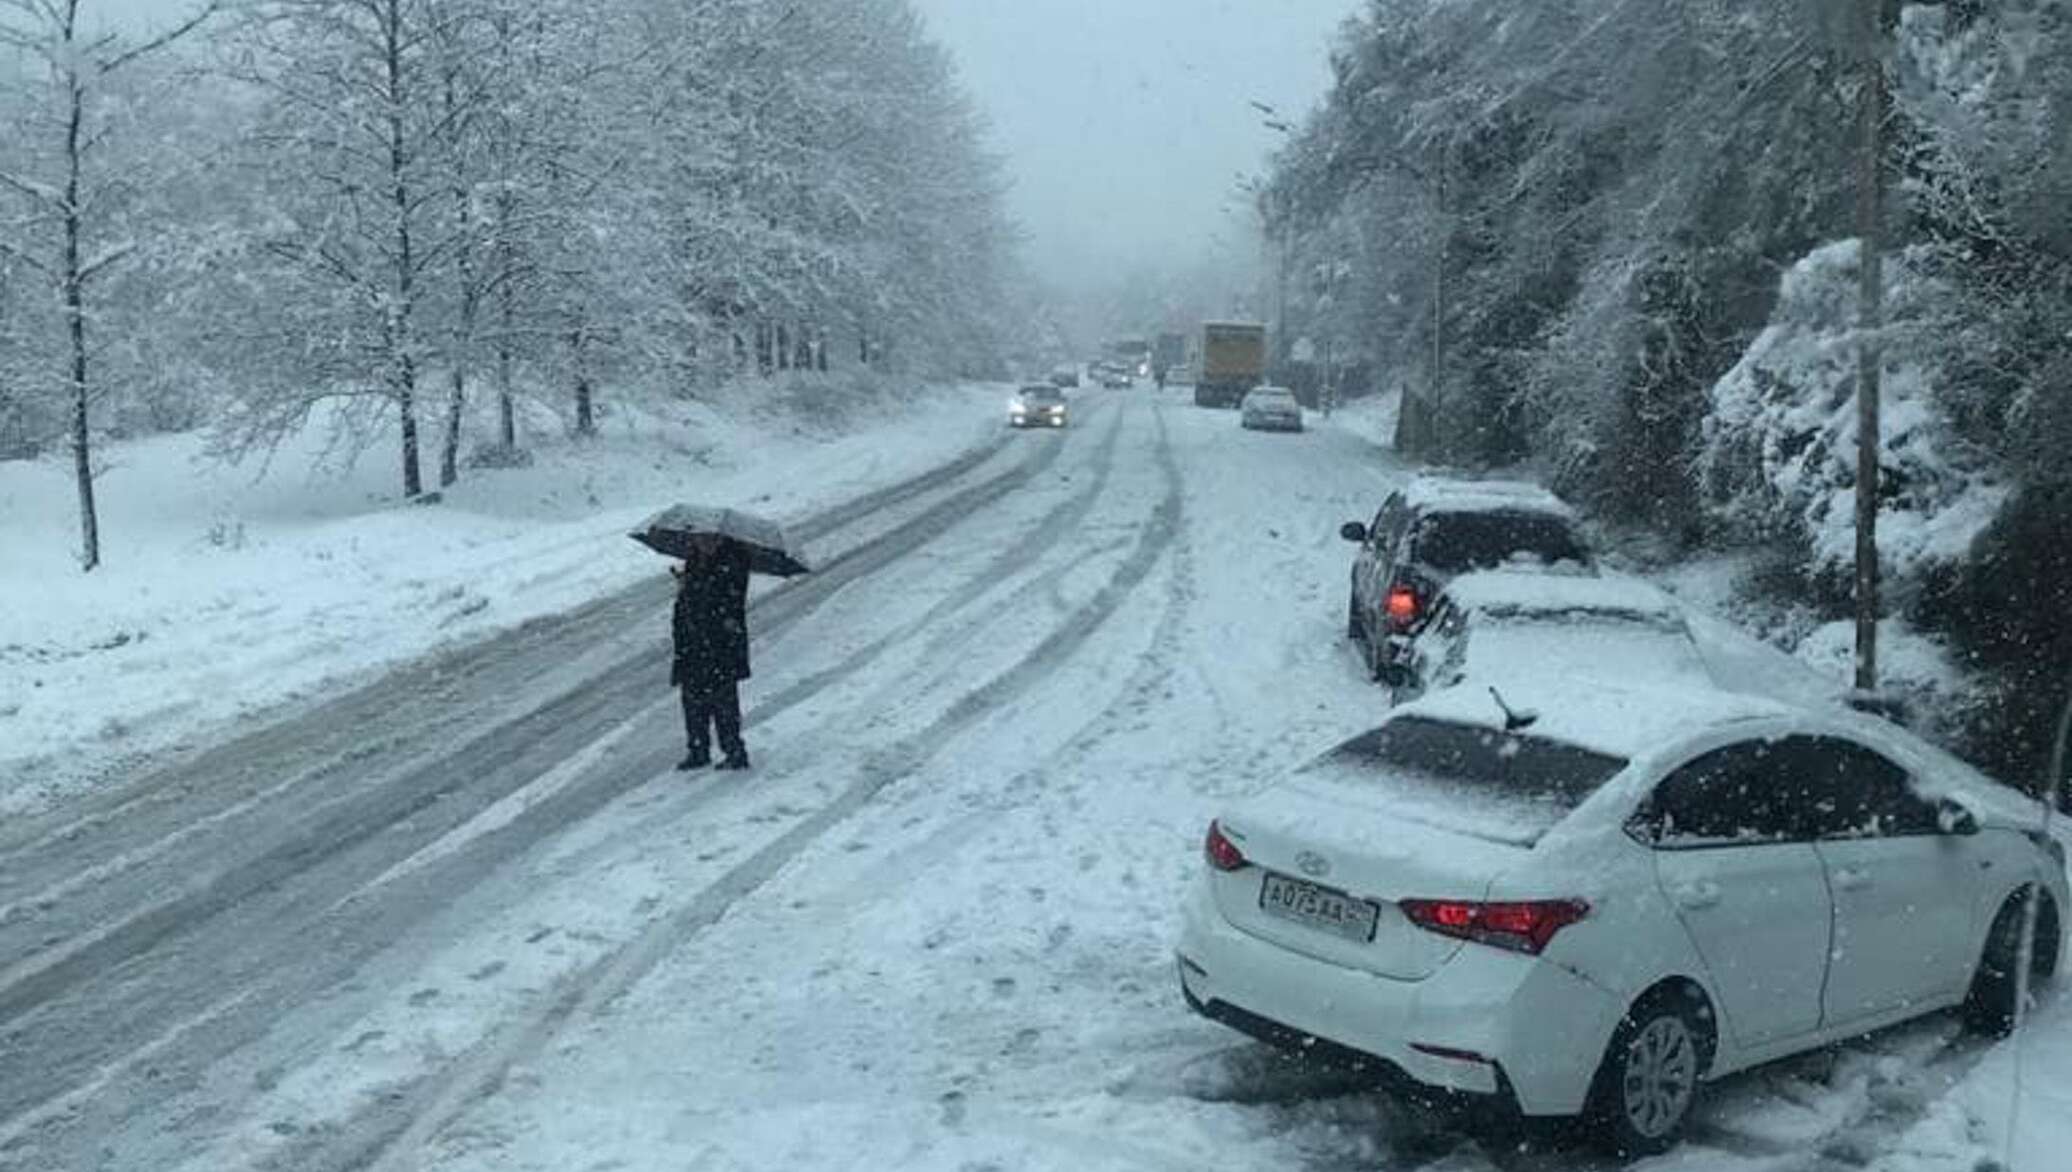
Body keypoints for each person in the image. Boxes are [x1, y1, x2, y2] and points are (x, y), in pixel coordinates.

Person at [671, 534, 753, 771]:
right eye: (700, 539)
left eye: (710, 539)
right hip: (692, 643)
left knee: (723, 701)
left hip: (720, 646)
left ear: (721, 539)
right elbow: (689, 602)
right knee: (693, 700)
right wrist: (684, 585)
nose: (705, 543)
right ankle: (698, 749)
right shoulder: (694, 561)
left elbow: (726, 602)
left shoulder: (733, 562)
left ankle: (734, 751)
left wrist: (695, 586)